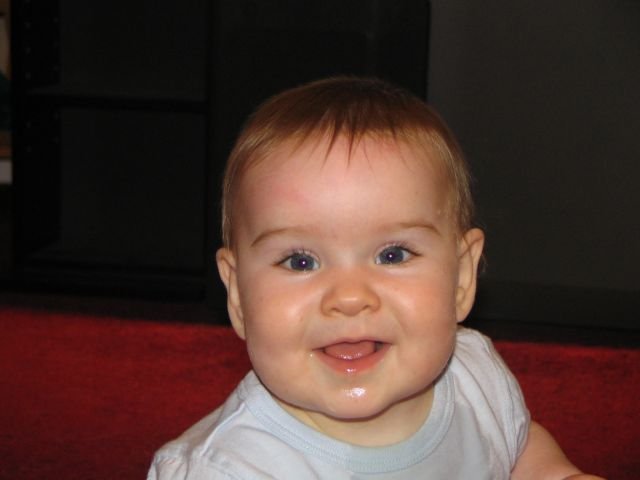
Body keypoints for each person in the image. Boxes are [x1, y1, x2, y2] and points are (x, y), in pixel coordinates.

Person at [148, 77, 603, 479]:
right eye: (300, 262)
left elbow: (515, 445)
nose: (349, 298)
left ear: (462, 278)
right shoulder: (226, 469)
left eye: (392, 254)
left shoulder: (475, 378)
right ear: (237, 295)